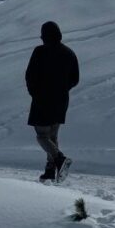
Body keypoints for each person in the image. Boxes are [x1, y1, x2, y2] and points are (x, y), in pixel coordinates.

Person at [25, 21, 80, 182]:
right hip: (61, 101)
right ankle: (50, 170)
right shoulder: (69, 53)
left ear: (44, 36)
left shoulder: (40, 52)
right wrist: (62, 89)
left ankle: (59, 158)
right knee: (52, 136)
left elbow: (30, 75)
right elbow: (75, 79)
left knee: (42, 136)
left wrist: (35, 92)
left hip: (42, 101)